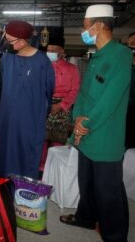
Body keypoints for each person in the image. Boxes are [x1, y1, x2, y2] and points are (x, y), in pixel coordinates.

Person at [59, 5, 132, 242]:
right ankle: (86, 217)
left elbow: (110, 99)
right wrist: (76, 119)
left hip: (104, 136)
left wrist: (84, 125)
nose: (83, 29)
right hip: (86, 133)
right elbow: (83, 94)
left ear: (99, 25)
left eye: (85, 23)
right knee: (87, 182)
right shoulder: (96, 56)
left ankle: (115, 235)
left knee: (108, 191)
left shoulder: (120, 55)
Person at [0, 20, 55, 179]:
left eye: (10, 40)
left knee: (27, 152)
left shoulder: (42, 61)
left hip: (30, 118)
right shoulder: (6, 58)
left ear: (22, 41)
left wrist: (41, 113)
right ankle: (4, 187)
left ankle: (25, 190)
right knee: (6, 152)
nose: (6, 43)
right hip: (8, 118)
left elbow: (49, 91)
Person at [39, 37, 80, 174]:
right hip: (44, 106)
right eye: (48, 50)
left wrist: (61, 105)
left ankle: (55, 168)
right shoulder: (42, 67)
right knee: (42, 139)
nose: (50, 52)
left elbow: (75, 90)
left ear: (62, 51)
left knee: (58, 140)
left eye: (54, 50)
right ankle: (41, 167)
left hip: (63, 108)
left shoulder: (72, 69)